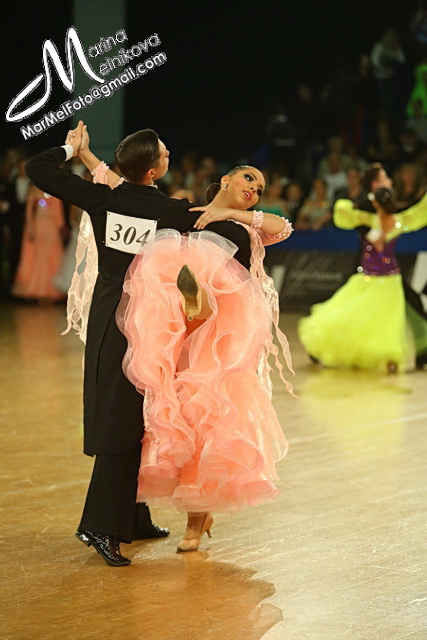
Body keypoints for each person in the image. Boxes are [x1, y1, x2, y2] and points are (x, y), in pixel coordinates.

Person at [25, 121, 253, 567]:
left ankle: (132, 516)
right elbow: (238, 233)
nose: (168, 156)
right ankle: (98, 525)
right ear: (152, 171)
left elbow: (38, 168)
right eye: (164, 154)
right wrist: (246, 216)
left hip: (111, 321)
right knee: (122, 422)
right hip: (147, 329)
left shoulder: (105, 198)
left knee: (136, 419)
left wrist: (73, 150)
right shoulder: (171, 211)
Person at [115, 164, 294, 552]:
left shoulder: (249, 226)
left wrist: (230, 213)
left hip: (224, 335)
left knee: (207, 417)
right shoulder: (191, 213)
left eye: (261, 187)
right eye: (249, 179)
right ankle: (192, 300)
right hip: (183, 329)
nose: (255, 189)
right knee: (179, 414)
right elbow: (132, 196)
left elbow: (283, 228)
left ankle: (196, 519)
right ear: (226, 179)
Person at [297, 187, 427, 372]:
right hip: (390, 280)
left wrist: (355, 205)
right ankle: (390, 359)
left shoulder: (368, 220)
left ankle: (330, 349)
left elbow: (342, 210)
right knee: (388, 322)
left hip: (369, 279)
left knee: (346, 313)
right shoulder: (400, 221)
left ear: (376, 204)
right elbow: (420, 212)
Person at [12, 185, 66, 302]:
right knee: (39, 256)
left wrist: (60, 225)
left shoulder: (51, 189)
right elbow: (29, 211)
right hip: (40, 226)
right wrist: (30, 227)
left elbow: (57, 211)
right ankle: (39, 290)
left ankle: (49, 290)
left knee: (50, 255)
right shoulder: (36, 189)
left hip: (50, 227)